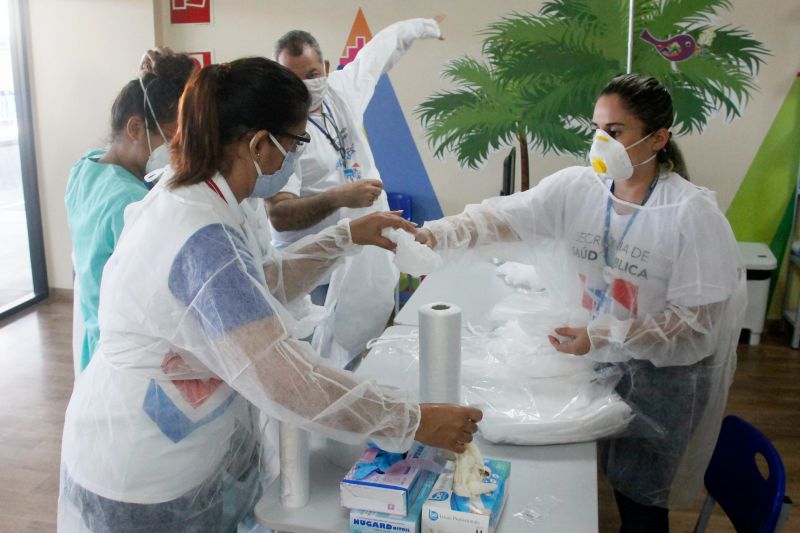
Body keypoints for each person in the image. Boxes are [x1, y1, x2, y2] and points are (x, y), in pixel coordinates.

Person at [57, 57, 481, 532]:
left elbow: (257, 287)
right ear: (259, 144)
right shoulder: (195, 229)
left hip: (171, 445)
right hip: (142, 471)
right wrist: (409, 420)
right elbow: (285, 380)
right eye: (297, 143)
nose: (297, 159)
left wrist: (345, 237)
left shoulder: (203, 198)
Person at [416, 74, 746, 532]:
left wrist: (604, 334)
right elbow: (501, 218)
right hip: (598, 360)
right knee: (589, 471)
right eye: (596, 129)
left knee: (641, 502)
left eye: (616, 132)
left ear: (659, 138)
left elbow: (698, 320)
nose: (600, 142)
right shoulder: (579, 189)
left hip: (662, 380)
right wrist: (432, 235)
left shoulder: (689, 214)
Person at [268, 17, 445, 367]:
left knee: (363, 348)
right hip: (311, 266)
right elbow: (280, 216)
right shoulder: (278, 127)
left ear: (327, 67)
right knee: (314, 364)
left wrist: (424, 26)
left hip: (362, 250)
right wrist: (339, 197)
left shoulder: (340, 91)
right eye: (292, 78)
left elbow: (378, 53)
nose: (305, 85)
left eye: (312, 73)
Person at [65, 49, 195, 372]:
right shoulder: (132, 203)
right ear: (135, 128)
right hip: (128, 353)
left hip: (94, 338)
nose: (176, 152)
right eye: (171, 139)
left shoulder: (85, 168)